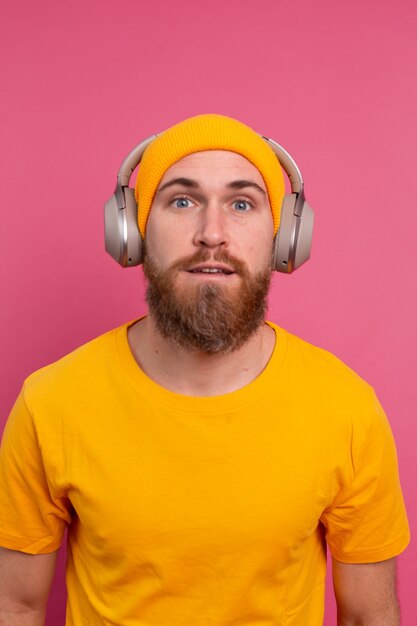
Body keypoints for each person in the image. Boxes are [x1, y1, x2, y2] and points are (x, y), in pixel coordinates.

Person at [0, 114, 410, 626]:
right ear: (133, 232)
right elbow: (14, 606)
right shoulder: (50, 403)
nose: (211, 233)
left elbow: (369, 616)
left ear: (285, 239)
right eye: (182, 200)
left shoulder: (348, 410)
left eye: (242, 203)